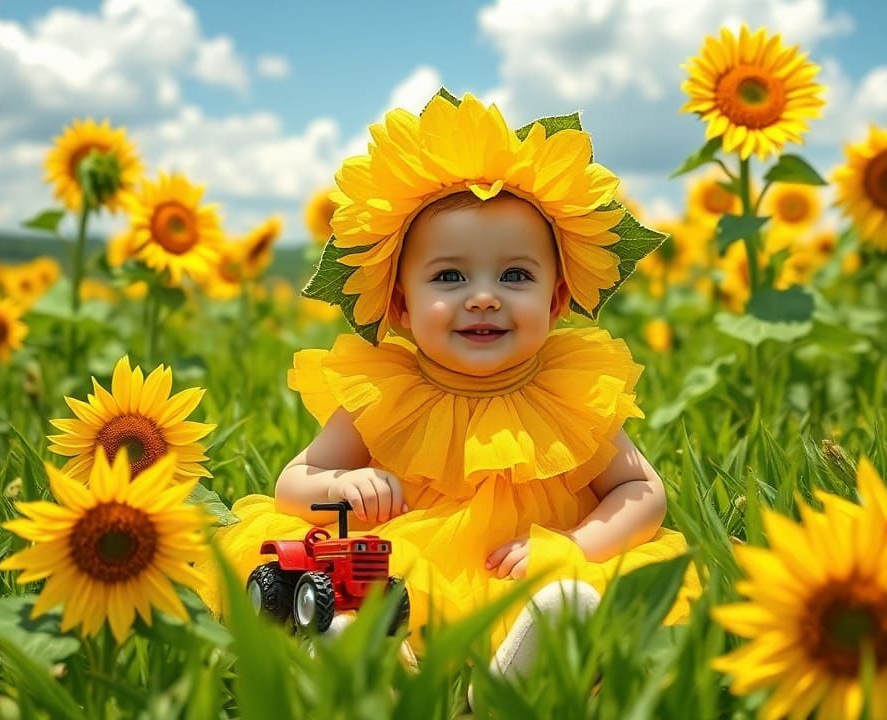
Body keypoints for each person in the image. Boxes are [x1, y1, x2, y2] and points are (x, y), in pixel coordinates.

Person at [197, 91, 701, 675]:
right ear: (402, 304)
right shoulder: (385, 391)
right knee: (358, 583)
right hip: (405, 560)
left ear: (557, 299)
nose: (483, 296)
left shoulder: (570, 394)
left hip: (529, 560)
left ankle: (527, 669)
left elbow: (642, 493)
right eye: (450, 276)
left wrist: (575, 547)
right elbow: (292, 483)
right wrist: (345, 484)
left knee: (577, 592)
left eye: (515, 275)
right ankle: (377, 661)